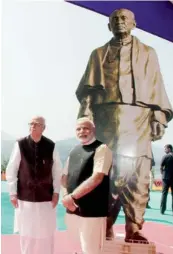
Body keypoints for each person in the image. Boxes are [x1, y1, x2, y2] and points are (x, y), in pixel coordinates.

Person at [75, 8, 173, 243]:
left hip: (139, 119)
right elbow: (88, 93)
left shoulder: (149, 53)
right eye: (115, 20)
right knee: (105, 173)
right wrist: (86, 119)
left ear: (133, 24)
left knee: (137, 173)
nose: (120, 23)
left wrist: (158, 117)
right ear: (109, 26)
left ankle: (134, 228)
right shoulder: (98, 54)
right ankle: (104, 224)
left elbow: (156, 86)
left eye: (124, 19)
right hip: (106, 119)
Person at [6, 116, 62, 254]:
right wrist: (13, 193)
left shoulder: (51, 145)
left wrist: (56, 192)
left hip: (46, 198)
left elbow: (57, 171)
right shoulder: (20, 144)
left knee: (47, 233)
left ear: (44, 127)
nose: (32, 126)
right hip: (25, 197)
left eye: (36, 124)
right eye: (31, 123)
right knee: (26, 232)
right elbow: (11, 169)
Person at [61, 117, 112, 254]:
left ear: (93, 130)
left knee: (91, 250)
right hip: (72, 209)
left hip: (92, 211)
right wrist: (66, 196)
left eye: (86, 128)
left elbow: (97, 177)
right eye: (78, 128)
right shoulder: (74, 150)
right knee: (75, 247)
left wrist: (72, 197)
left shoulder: (102, 149)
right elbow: (64, 177)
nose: (82, 131)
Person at [160, 144, 173, 214]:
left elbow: (161, 166)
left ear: (169, 149)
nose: (165, 150)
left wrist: (162, 173)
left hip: (165, 178)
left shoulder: (165, 156)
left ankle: (162, 210)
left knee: (164, 194)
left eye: (165, 149)